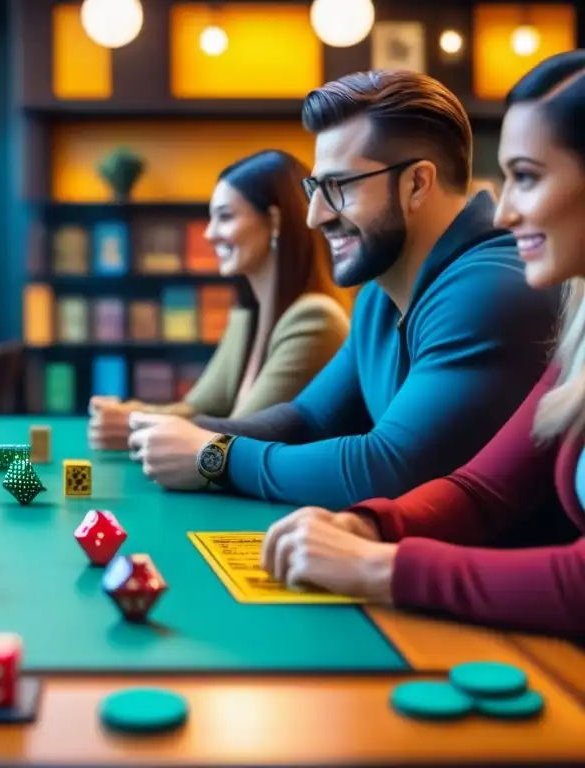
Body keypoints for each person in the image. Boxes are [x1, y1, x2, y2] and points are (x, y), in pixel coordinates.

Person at [128, 70, 562, 510]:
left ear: (416, 184)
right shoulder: (380, 291)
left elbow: (388, 468)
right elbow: (308, 419)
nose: (314, 216)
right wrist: (175, 435)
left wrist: (215, 457)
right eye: (315, 188)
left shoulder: (490, 285)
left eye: (337, 188)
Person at [259, 51, 585, 638]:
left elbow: (578, 582)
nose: (505, 210)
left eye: (528, 177)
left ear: (417, 183)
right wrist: (373, 526)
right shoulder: (580, 330)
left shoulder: (492, 284)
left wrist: (383, 567)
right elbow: (484, 489)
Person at [89, 150, 355, 450]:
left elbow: (243, 435)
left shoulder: (316, 318)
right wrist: (129, 414)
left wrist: (134, 425)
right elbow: (198, 408)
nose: (209, 234)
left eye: (225, 217)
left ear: (275, 221)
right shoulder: (247, 316)